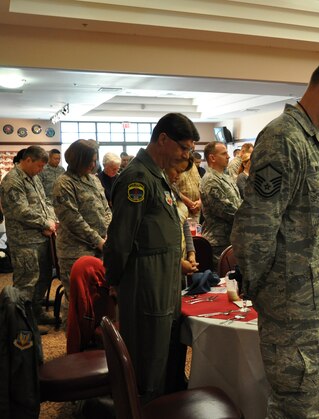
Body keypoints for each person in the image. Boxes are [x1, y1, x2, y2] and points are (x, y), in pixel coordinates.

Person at [230, 54, 319, 418]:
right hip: (291, 305)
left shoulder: (316, 138)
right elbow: (257, 226)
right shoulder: (283, 137)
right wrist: (260, 288)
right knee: (295, 408)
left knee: (316, 403)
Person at [104, 112, 198, 401]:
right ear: (163, 139)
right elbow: (120, 241)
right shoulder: (137, 178)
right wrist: (116, 283)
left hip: (166, 284)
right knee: (148, 363)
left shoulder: (158, 176)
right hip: (147, 285)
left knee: (167, 358)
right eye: (183, 148)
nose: (185, 155)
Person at [53, 139, 112, 324]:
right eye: (90, 161)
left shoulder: (93, 179)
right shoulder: (64, 183)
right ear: (77, 159)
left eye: (95, 161)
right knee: (77, 301)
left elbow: (106, 209)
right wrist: (99, 240)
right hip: (75, 252)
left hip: (99, 248)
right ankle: (73, 342)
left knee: (98, 297)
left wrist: (109, 232)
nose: (93, 165)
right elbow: (73, 220)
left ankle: (94, 339)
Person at [0, 145, 58, 325]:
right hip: (24, 242)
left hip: (41, 238)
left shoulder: (34, 177)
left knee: (43, 277)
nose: (41, 170)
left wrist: (51, 220)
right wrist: (45, 223)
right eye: (39, 166)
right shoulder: (12, 181)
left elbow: (45, 201)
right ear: (27, 160)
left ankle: (36, 312)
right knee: (27, 281)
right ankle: (22, 324)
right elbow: (21, 211)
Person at [200, 141, 242, 267]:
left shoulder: (225, 176)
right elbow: (227, 211)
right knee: (222, 282)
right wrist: (250, 216)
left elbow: (238, 202)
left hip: (230, 239)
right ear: (212, 158)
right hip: (219, 242)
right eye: (224, 154)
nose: (228, 156)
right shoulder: (210, 180)